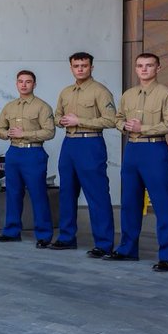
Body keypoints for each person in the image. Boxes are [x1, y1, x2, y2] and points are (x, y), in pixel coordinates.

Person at [106, 52, 168, 272]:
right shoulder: (128, 95)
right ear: (136, 69)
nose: (144, 69)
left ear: (158, 68)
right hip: (132, 150)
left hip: (154, 149)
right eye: (140, 66)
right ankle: (128, 249)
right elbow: (117, 118)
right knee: (130, 201)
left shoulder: (166, 94)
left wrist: (143, 128)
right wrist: (124, 126)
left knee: (163, 202)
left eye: (149, 65)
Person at [51, 52, 117, 257]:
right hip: (69, 144)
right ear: (71, 68)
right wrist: (61, 121)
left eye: (84, 65)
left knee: (96, 194)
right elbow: (57, 116)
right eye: (76, 65)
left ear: (91, 68)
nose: (80, 69)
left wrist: (79, 121)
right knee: (67, 193)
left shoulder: (100, 91)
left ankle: (104, 243)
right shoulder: (65, 92)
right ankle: (67, 237)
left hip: (90, 143)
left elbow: (111, 120)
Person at [0, 70, 56, 246]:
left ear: (34, 84)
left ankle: (43, 235)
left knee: (38, 194)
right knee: (13, 193)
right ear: (16, 84)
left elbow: (50, 132)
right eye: (21, 81)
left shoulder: (42, 107)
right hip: (13, 153)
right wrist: (6, 134)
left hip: (33, 153)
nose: (24, 85)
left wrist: (24, 133)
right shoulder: (9, 107)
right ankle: (12, 231)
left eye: (28, 82)